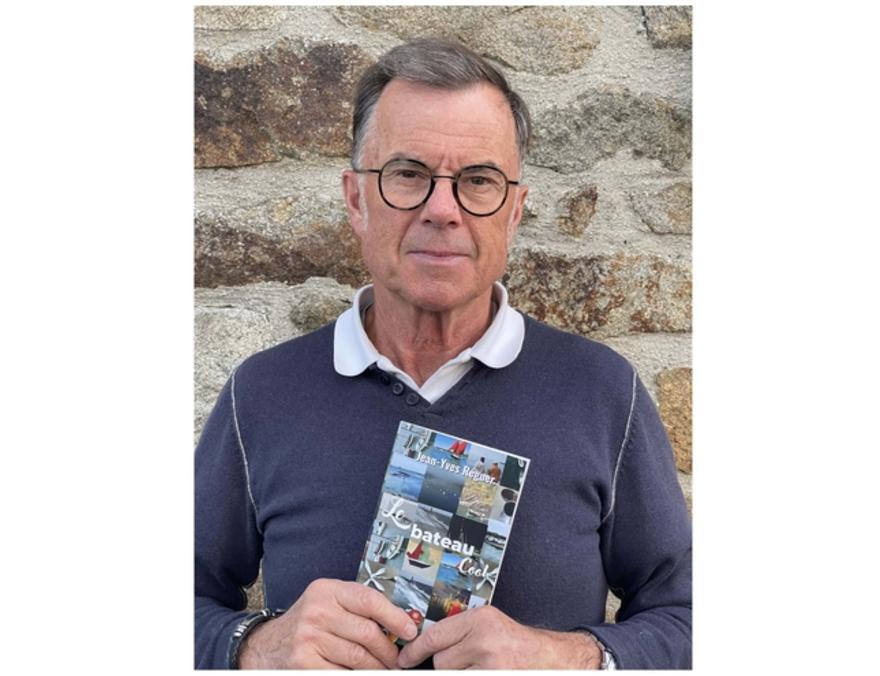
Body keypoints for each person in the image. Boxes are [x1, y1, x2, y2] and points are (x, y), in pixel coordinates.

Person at [195, 38, 691, 669]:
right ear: (356, 199)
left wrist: (569, 658)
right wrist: (254, 646)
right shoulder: (261, 393)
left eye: (478, 181)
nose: (442, 210)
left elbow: (689, 616)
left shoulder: (603, 391)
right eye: (408, 174)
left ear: (514, 211)